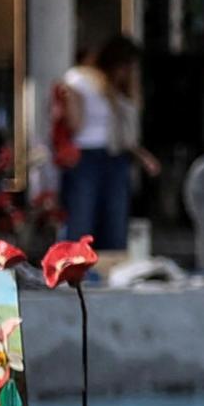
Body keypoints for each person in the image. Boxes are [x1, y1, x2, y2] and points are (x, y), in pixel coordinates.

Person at [52, 40, 148, 255]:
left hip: (114, 154)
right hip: (85, 153)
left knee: (114, 216)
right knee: (83, 214)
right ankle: (77, 262)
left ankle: (109, 262)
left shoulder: (115, 89)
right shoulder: (80, 79)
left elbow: (127, 130)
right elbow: (74, 123)